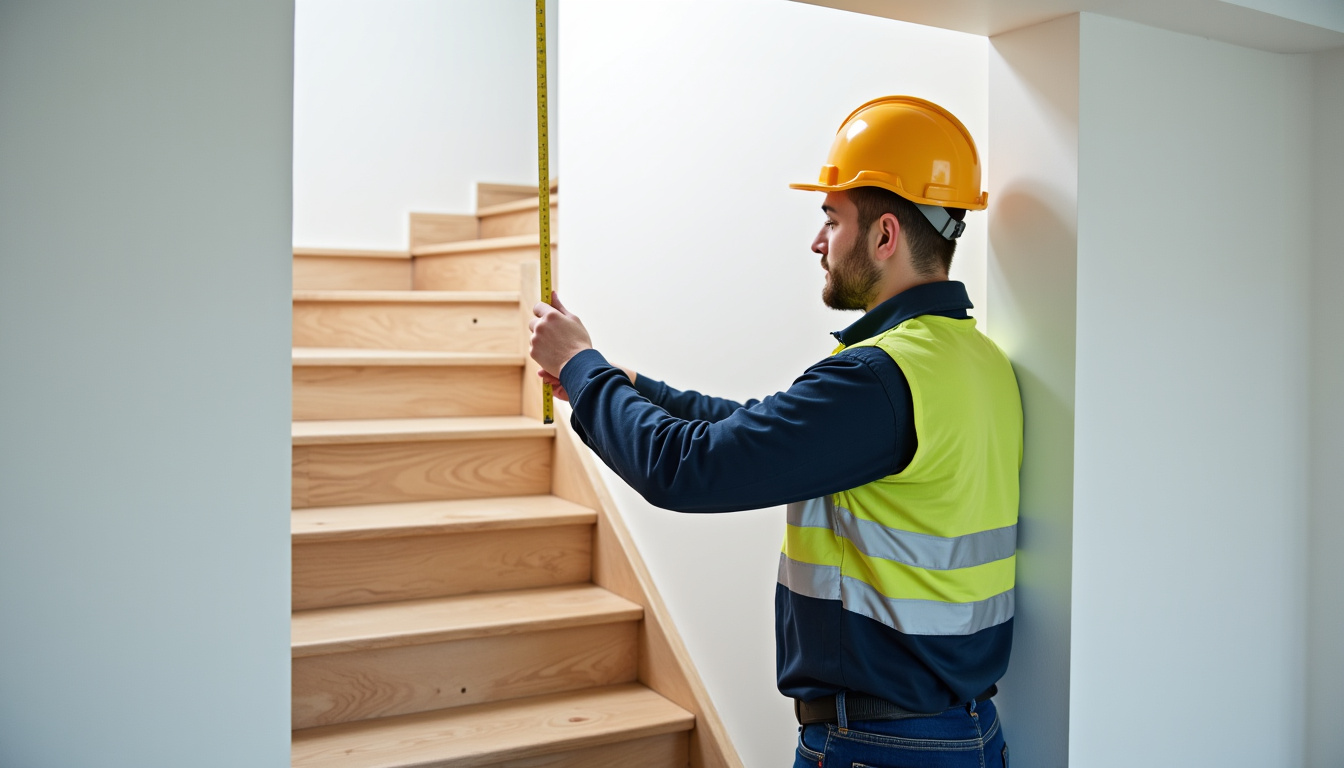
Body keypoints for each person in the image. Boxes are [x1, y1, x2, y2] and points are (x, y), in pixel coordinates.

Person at [528, 96, 1021, 768]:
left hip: (879, 748)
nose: (818, 242)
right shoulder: (974, 361)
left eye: (831, 219)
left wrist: (579, 367)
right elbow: (762, 424)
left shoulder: (878, 379)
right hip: (968, 736)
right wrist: (624, 383)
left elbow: (686, 468)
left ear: (884, 236)